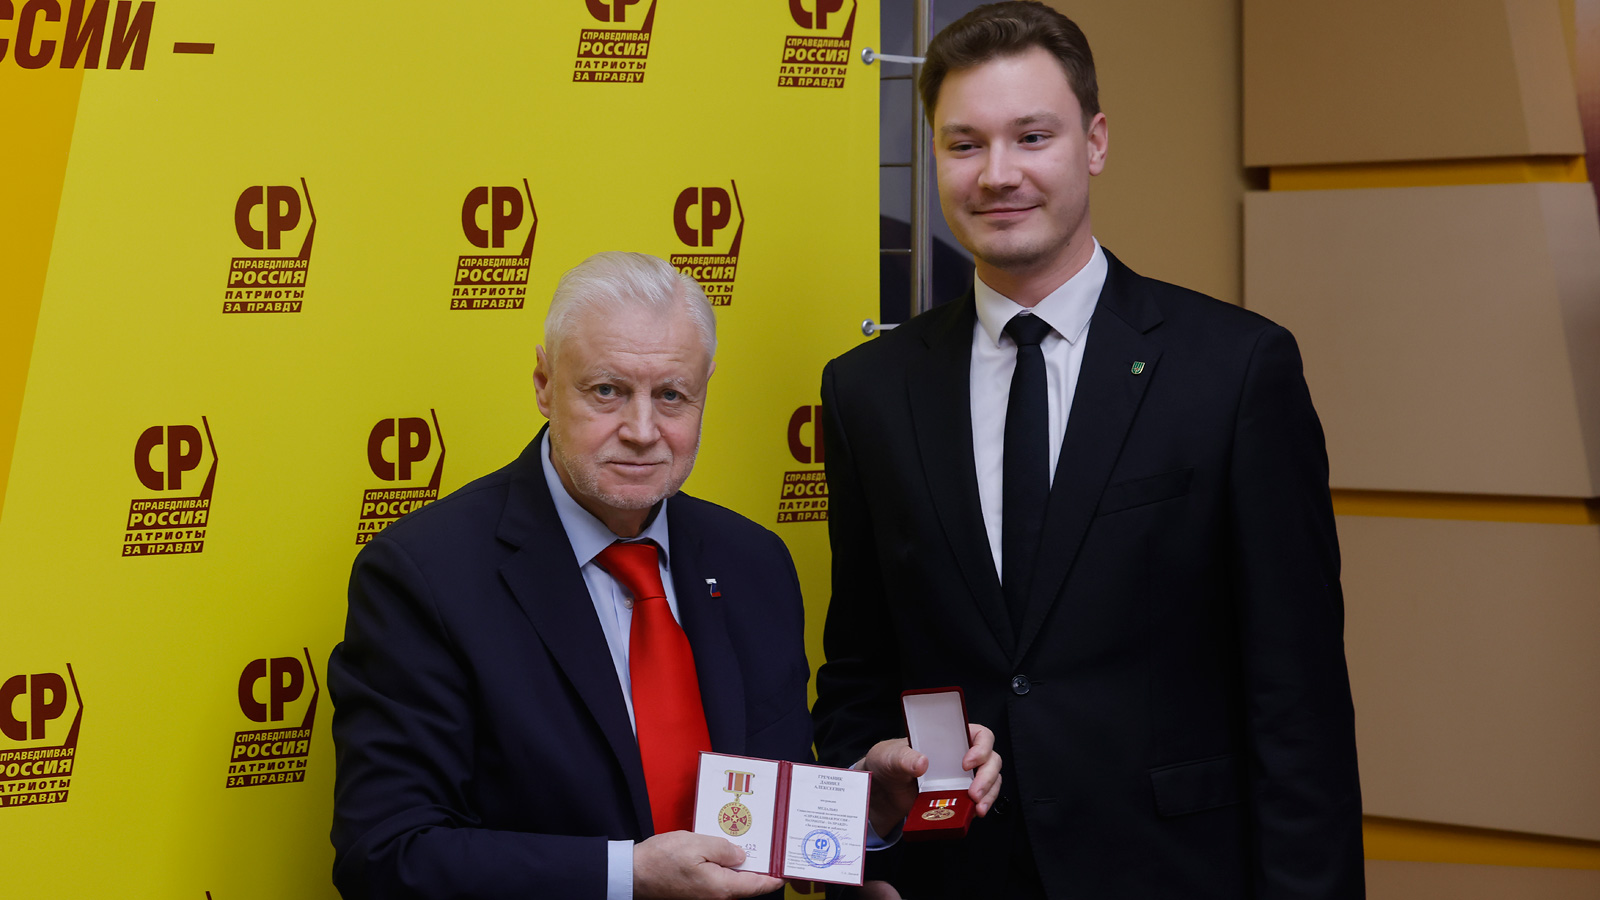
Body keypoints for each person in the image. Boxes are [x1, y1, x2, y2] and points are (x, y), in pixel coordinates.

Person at [812, 4, 1364, 899]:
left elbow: (1297, 702)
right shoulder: (868, 391)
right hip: (956, 878)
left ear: (1095, 142)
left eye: (1033, 137)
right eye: (964, 144)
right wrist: (870, 805)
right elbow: (858, 671)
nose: (998, 174)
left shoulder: (1234, 370)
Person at [328, 251, 999, 900]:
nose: (642, 429)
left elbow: (764, 821)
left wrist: (869, 803)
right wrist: (628, 876)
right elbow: (387, 854)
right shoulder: (427, 575)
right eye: (608, 391)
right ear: (543, 384)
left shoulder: (753, 563)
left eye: (671, 396)